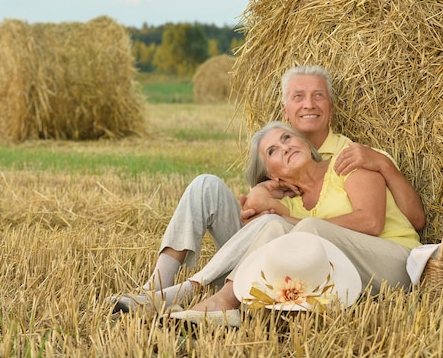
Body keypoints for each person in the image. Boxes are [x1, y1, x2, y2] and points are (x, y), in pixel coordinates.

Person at [111, 65, 425, 312]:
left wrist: (279, 217)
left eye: (318, 95)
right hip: (289, 255)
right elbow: (265, 218)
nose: (309, 105)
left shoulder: (351, 156)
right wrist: (261, 197)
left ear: (331, 105)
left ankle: (202, 290)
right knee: (206, 186)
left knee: (293, 227)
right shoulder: (285, 181)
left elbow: (380, 222)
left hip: (374, 257)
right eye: (298, 96)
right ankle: (160, 284)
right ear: (284, 109)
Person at [168, 121, 421, 326]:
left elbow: (371, 221)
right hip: (349, 279)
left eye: (287, 138)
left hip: (396, 263)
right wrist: (261, 195)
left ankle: (204, 292)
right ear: (272, 174)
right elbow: (258, 237)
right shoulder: (291, 205)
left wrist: (289, 221)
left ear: (305, 144)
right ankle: (223, 303)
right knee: (277, 228)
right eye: (273, 151)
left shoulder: (346, 163)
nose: (285, 148)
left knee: (305, 232)